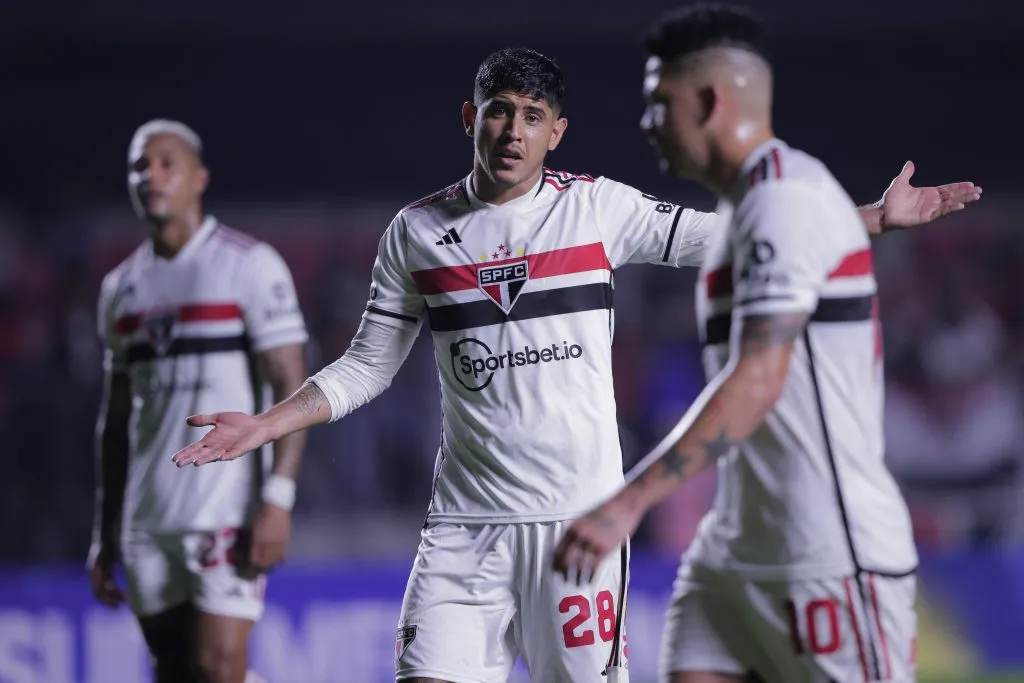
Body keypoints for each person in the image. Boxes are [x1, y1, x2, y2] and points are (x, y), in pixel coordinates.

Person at [171, 47, 979, 683]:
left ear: (557, 130)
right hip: (464, 530)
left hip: (578, 524)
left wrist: (873, 216)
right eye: (499, 113)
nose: (513, 131)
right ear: (470, 118)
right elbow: (366, 366)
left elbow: (726, 235)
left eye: (533, 116)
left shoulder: (597, 208)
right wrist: (265, 424)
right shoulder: (415, 233)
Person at [552, 6, 983, 683]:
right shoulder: (744, 211)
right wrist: (872, 216)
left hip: (830, 554)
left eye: (658, 105)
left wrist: (627, 501)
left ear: (711, 102)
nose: (646, 124)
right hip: (733, 553)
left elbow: (758, 378)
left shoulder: (784, 197)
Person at [88, 119, 310, 683]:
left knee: (218, 666)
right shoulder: (120, 289)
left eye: (166, 163)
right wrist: (106, 529)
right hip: (148, 517)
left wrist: (278, 498)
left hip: (225, 510)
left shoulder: (248, 265)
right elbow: (115, 419)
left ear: (199, 177)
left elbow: (293, 385)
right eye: (141, 165)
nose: (151, 175)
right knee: (174, 670)